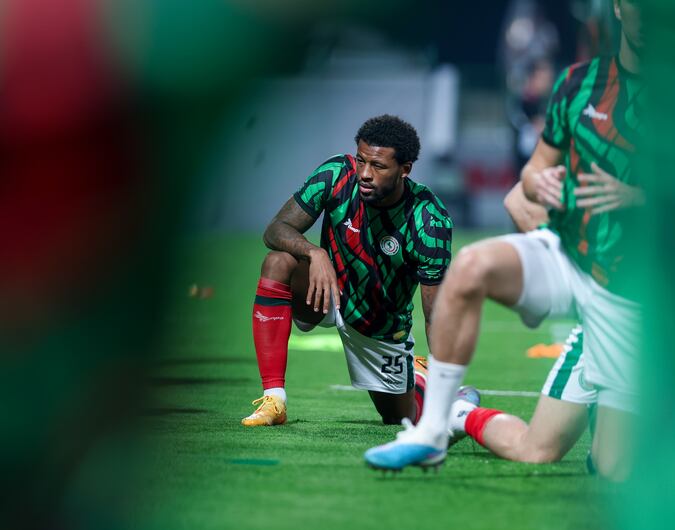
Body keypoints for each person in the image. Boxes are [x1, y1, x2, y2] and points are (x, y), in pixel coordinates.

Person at [365, 0, 644, 480]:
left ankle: (463, 417)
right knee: (472, 266)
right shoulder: (578, 84)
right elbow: (530, 176)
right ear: (618, 7)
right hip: (573, 256)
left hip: (632, 294)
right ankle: (433, 429)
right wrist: (540, 184)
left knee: (578, 462)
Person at [241, 114, 473, 427]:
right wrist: (315, 252)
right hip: (324, 291)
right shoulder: (336, 174)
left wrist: (445, 382)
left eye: (378, 166)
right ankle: (274, 399)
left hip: (379, 326)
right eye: (361, 160)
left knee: (400, 418)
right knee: (277, 262)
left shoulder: (428, 220)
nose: (365, 173)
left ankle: (420, 380)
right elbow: (275, 230)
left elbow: (436, 316)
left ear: (405, 169)